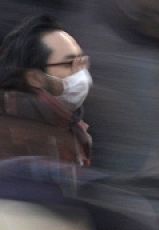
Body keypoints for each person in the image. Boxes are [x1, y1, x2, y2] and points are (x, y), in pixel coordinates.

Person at [0, 14, 92, 165]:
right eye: (68, 64)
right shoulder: (16, 134)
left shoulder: (69, 126)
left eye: (82, 62)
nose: (81, 73)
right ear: (35, 78)